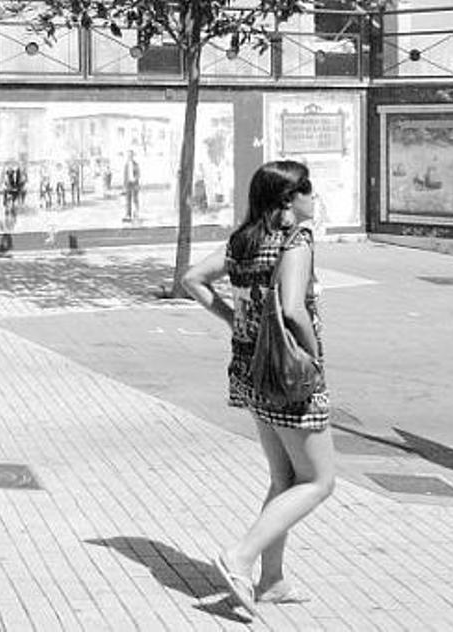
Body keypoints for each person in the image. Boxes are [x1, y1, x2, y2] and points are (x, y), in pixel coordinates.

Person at [182, 160, 334, 620]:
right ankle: (240, 557)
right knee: (319, 481)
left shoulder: (243, 241)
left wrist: (235, 320)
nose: (313, 197)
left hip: (250, 370)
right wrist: (314, 358)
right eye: (308, 189)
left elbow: (192, 279)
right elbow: (293, 309)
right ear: (289, 199)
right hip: (288, 374)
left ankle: (272, 581)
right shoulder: (295, 241)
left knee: (283, 478)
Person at [123, 150, 140, 221]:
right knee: (128, 200)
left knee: (135, 199)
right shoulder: (126, 165)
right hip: (128, 184)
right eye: (128, 156)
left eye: (131, 155)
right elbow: (125, 176)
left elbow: (138, 174)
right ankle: (128, 215)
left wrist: (135, 179)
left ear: (133, 156)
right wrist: (124, 186)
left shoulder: (136, 164)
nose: (129, 157)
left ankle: (136, 214)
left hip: (134, 184)